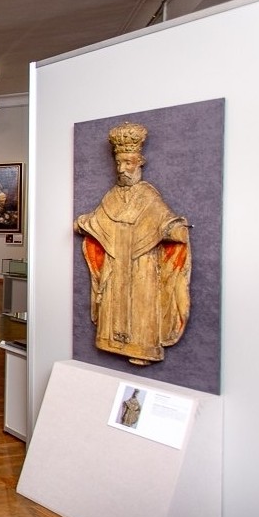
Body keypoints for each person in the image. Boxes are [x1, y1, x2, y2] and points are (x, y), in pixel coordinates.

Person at [75, 122, 191, 366]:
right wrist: (83, 223)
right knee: (111, 300)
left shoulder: (148, 195)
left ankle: (143, 348)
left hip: (142, 264)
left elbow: (163, 221)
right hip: (115, 262)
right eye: (119, 163)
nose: (122, 169)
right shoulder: (112, 195)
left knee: (143, 305)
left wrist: (173, 229)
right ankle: (109, 341)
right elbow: (99, 220)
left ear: (139, 163)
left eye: (128, 163)